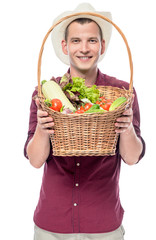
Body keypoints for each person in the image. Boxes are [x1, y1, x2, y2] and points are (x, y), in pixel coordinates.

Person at [24, 3, 145, 240]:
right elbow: (35, 161)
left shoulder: (121, 92)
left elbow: (132, 158)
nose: (84, 48)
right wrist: (42, 127)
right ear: (65, 46)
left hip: (104, 224)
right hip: (52, 226)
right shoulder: (46, 93)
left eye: (92, 40)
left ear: (102, 46)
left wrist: (127, 128)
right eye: (76, 41)